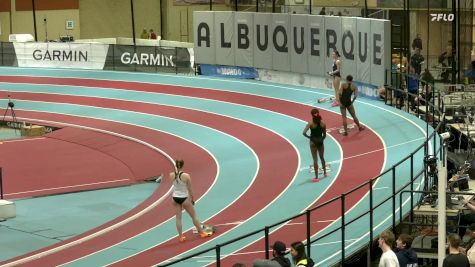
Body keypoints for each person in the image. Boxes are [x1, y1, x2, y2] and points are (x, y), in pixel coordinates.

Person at [170, 159, 212, 242]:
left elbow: (175, 183)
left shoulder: (171, 175)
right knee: (193, 216)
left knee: (178, 218)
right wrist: (192, 198)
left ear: (175, 165)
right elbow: (189, 188)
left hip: (174, 198)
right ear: (183, 165)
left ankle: (181, 237)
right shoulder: (186, 176)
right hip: (184, 198)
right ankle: (201, 232)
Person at [302, 108, 327, 182]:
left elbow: (303, 133)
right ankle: (325, 173)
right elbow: (324, 135)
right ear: (318, 113)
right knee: (322, 158)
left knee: (315, 159)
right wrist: (321, 139)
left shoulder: (310, 123)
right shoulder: (323, 123)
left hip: (313, 142)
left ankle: (316, 177)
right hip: (320, 142)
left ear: (312, 115)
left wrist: (309, 137)